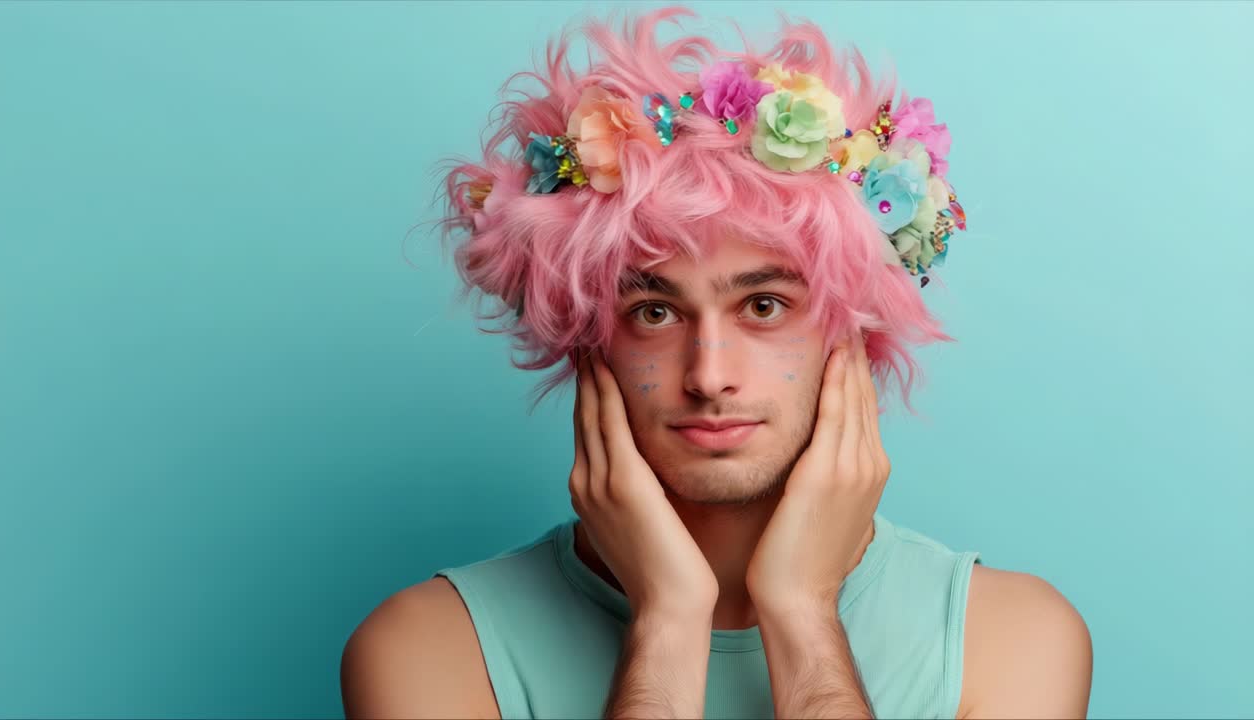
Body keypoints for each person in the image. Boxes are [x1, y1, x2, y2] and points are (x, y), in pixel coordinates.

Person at [342, 6, 1092, 718]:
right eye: (654, 312)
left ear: (852, 331)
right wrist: (668, 622)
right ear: (586, 339)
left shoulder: (1008, 638)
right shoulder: (430, 648)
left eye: (763, 306)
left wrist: (802, 613)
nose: (707, 377)